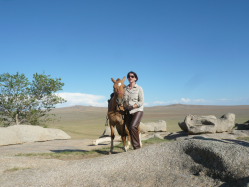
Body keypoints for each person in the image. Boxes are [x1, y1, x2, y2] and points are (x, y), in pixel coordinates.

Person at [124, 71, 144, 150]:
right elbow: (124, 100)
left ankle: (137, 148)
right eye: (129, 76)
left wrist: (133, 106)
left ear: (135, 78)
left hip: (137, 110)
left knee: (133, 126)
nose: (130, 78)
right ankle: (133, 145)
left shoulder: (139, 88)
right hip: (128, 111)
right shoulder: (126, 89)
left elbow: (141, 101)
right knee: (129, 128)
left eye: (132, 76)